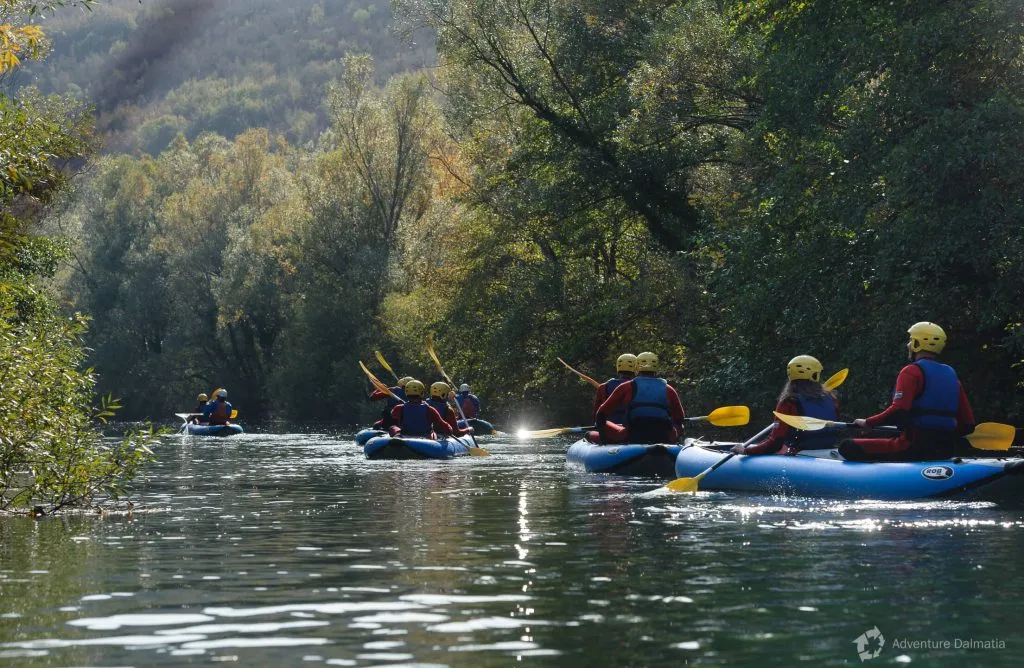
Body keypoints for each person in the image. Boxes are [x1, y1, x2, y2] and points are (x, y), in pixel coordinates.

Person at [839, 322, 976, 462]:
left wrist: (868, 422)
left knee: (847, 446)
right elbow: (968, 425)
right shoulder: (952, 377)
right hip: (945, 450)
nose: (909, 344)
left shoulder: (911, 371)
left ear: (917, 343)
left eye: (911, 340)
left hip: (913, 447)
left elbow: (899, 410)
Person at [732, 355, 840, 456]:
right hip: (830, 451)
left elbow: (775, 443)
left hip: (800, 453)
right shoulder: (831, 398)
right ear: (815, 375)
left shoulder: (789, 401)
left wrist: (746, 451)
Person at [591, 351, 686, 444]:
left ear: (636, 368)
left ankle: (604, 441)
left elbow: (600, 414)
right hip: (663, 436)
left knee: (598, 424)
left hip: (633, 436)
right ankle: (679, 444)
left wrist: (604, 437)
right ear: (656, 369)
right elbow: (679, 419)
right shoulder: (669, 389)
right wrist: (678, 434)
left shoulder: (626, 387)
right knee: (677, 427)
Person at [389, 380, 457, 439]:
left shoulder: (399, 408)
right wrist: (449, 430)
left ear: (406, 393)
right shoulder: (430, 409)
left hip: (405, 434)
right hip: (424, 436)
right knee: (433, 433)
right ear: (422, 393)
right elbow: (444, 426)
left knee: (393, 427)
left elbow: (393, 417)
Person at [592, 354, 636, 425]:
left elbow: (596, 414)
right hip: (632, 428)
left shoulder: (603, 387)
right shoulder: (640, 387)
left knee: (589, 435)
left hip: (610, 428)